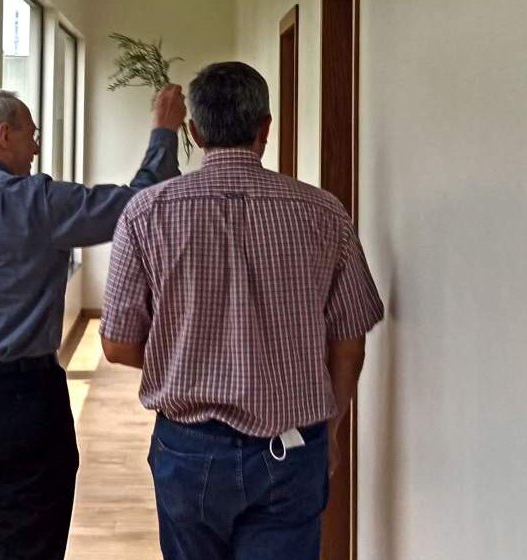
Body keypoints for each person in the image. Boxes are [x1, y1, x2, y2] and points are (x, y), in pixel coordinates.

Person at [99, 62, 384, 560]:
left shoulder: (146, 213)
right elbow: (350, 337)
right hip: (291, 447)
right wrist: (332, 428)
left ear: (193, 131)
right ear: (265, 128)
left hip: (187, 450)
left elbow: (118, 345)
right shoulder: (323, 212)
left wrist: (190, 355)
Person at [0, 85, 187, 560]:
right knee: (30, 541)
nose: (37, 147)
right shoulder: (36, 201)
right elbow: (138, 203)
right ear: (4, 135)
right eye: (32, 134)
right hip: (20, 403)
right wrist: (164, 131)